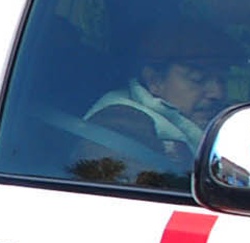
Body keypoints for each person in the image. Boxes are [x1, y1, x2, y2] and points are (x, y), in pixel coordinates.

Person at [83, 18, 233, 163]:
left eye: (222, 81)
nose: (217, 93)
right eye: (198, 79)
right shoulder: (120, 124)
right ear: (155, 81)